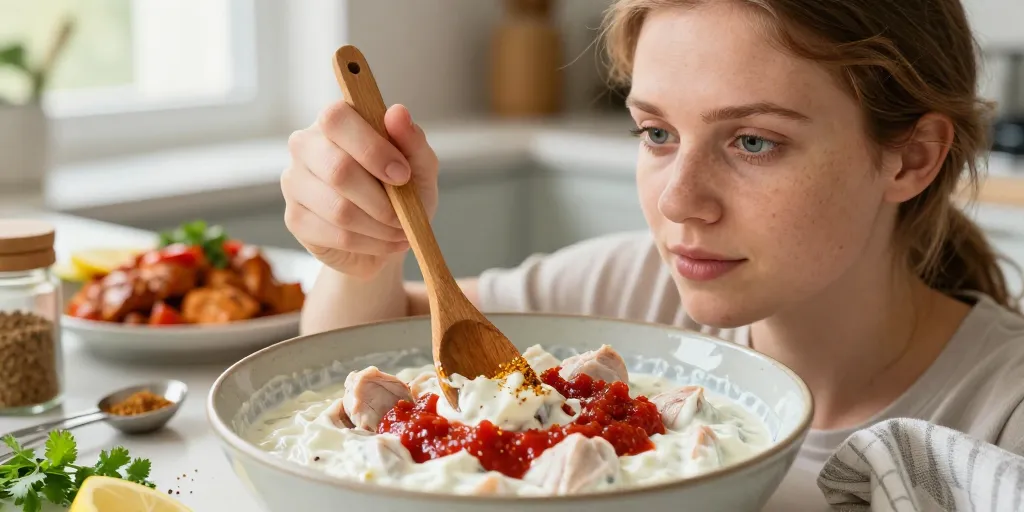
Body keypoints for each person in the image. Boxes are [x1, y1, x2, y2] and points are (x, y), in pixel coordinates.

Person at [280, 0, 1024, 507]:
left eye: (754, 141)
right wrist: (364, 250)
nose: (677, 201)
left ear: (911, 158)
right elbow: (366, 346)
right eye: (657, 134)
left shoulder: (1000, 419)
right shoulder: (630, 286)